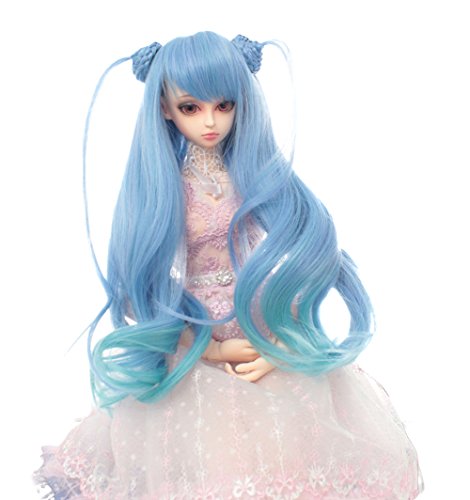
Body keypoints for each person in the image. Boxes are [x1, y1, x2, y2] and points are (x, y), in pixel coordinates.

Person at [35, 31, 423, 499]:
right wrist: (209, 352)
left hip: (259, 319)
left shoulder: (257, 176)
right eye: (191, 107)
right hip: (198, 332)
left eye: (224, 105)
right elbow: (142, 287)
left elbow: (307, 248)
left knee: (287, 450)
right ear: (165, 109)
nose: (210, 121)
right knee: (208, 455)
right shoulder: (163, 190)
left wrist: (285, 339)